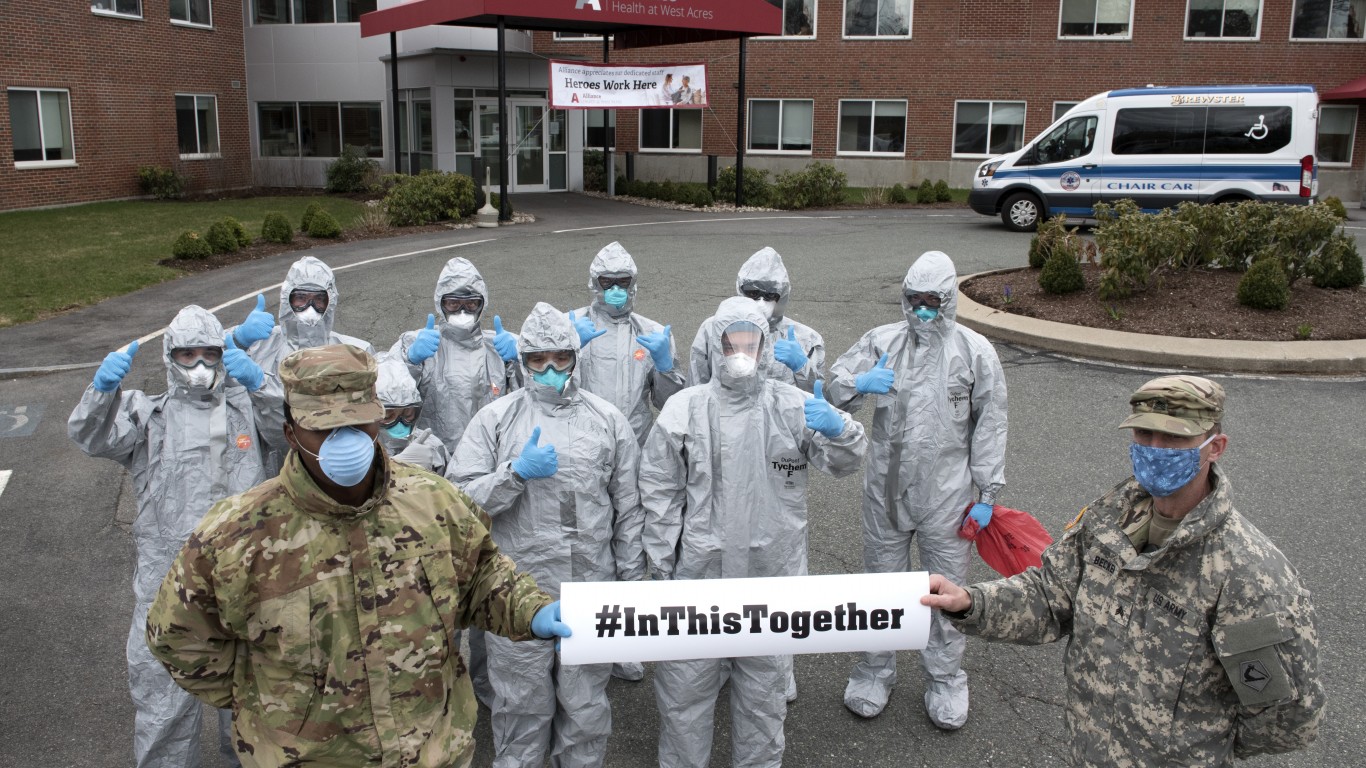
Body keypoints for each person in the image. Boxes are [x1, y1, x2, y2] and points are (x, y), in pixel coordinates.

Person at [145, 344, 571, 768]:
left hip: (433, 751)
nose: (345, 441)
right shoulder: (237, 535)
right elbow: (180, 638)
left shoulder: (432, 502)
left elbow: (482, 576)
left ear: (376, 416)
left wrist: (530, 611)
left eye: (357, 423)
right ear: (291, 432)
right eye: (324, 428)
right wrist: (265, 699)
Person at [921, 376, 1325, 765]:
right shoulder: (1109, 519)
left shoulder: (1249, 573)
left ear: (1215, 446)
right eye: (1144, 435)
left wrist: (1196, 747)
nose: (1155, 448)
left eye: (1174, 438)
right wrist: (970, 602)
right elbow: (1050, 596)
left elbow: (1285, 715)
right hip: (1086, 750)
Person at [641, 297, 867, 768]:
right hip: (698, 582)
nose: (740, 351)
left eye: (749, 341)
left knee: (762, 703)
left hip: (770, 580)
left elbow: (844, 462)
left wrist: (841, 429)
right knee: (685, 698)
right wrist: (661, 570)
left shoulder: (792, 405)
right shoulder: (685, 409)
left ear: (764, 345)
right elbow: (660, 494)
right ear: (714, 344)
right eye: (730, 342)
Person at [68, 305, 282, 768]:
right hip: (168, 590)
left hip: (246, 586)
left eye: (211, 353)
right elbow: (91, 437)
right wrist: (102, 391)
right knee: (163, 710)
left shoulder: (246, 407)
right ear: (170, 358)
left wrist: (261, 382)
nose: (201, 365)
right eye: (188, 355)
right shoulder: (148, 416)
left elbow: (292, 432)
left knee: (254, 707)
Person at [447, 302, 644, 768]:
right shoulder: (496, 420)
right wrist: (513, 475)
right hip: (517, 591)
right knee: (521, 710)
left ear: (575, 357)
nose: (550, 369)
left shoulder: (608, 420)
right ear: (523, 361)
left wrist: (632, 586)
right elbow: (456, 503)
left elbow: (629, 510)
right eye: (538, 359)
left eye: (560, 357)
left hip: (591, 587)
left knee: (586, 713)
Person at [832, 250, 1008, 729]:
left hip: (948, 497)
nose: (922, 310)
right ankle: (874, 669)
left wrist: (988, 495)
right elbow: (832, 390)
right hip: (886, 493)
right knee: (881, 587)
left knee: (945, 592)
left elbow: (990, 424)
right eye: (914, 300)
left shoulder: (974, 352)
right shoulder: (882, 341)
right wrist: (858, 385)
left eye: (932, 301)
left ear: (949, 302)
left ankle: (945, 678)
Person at [569, 240, 686, 682]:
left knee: (630, 544)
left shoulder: (653, 331)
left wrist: (665, 364)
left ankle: (622, 641)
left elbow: (671, 403)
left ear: (634, 285)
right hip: (578, 454)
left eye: (623, 283)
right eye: (607, 283)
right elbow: (544, 389)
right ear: (594, 285)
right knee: (583, 542)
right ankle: (581, 631)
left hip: (633, 455)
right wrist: (571, 352)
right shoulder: (569, 326)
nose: (615, 290)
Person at [227, 255, 374, 474]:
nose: (310, 307)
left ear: (329, 302)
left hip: (336, 464)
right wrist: (239, 340)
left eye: (318, 300)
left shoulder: (352, 351)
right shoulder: (260, 345)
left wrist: (262, 386)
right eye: (301, 298)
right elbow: (206, 378)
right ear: (287, 299)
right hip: (273, 467)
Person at [390, 256, 521, 453]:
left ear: (482, 304)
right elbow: (385, 391)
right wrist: (410, 361)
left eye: (471, 304)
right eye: (453, 303)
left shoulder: (498, 347)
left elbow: (536, 397)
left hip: (487, 453)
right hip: (432, 455)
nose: (462, 311)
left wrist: (520, 359)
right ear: (440, 303)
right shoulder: (418, 343)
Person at [690, 246, 825, 395]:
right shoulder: (713, 330)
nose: (760, 302)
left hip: (783, 417)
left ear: (782, 296)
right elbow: (696, 392)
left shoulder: (806, 339)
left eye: (770, 295)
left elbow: (818, 400)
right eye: (753, 293)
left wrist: (802, 367)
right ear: (741, 291)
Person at [375, 351, 448, 474]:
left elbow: (453, 490)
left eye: (408, 414)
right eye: (388, 416)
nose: (400, 424)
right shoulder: (358, 451)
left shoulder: (432, 447)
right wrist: (396, 468)